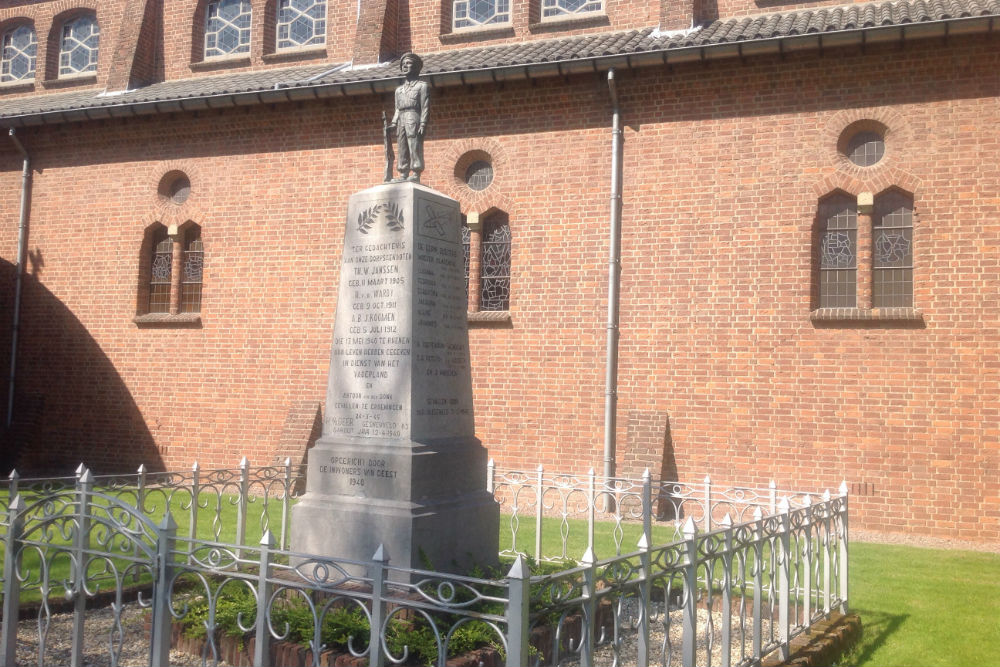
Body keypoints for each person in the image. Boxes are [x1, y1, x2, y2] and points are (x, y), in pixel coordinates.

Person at [387, 53, 430, 183]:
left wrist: (423, 124)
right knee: (402, 145)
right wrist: (393, 123)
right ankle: (403, 172)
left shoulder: (422, 86)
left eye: (409, 63)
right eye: (403, 64)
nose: (405, 66)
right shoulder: (398, 90)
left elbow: (425, 106)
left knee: (414, 144)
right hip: (401, 118)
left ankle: (416, 171)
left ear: (416, 66)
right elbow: (397, 109)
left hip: (413, 115)